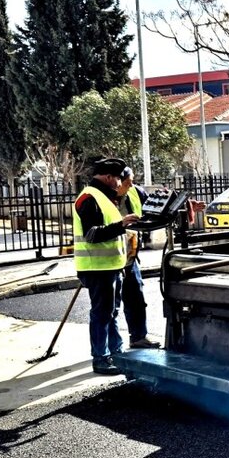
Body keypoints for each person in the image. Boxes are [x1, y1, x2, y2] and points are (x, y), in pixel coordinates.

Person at [73, 158, 139, 375]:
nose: (120, 183)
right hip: (97, 268)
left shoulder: (103, 197)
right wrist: (121, 225)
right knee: (102, 314)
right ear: (109, 177)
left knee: (111, 312)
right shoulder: (89, 198)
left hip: (110, 266)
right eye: (119, 179)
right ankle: (100, 358)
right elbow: (91, 234)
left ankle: (116, 352)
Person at [116, 167, 159, 349]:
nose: (131, 185)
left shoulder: (135, 192)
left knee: (136, 297)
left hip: (130, 256)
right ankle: (110, 347)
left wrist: (184, 206)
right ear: (116, 182)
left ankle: (138, 336)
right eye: (128, 183)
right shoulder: (101, 198)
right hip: (109, 258)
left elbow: (155, 209)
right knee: (108, 307)